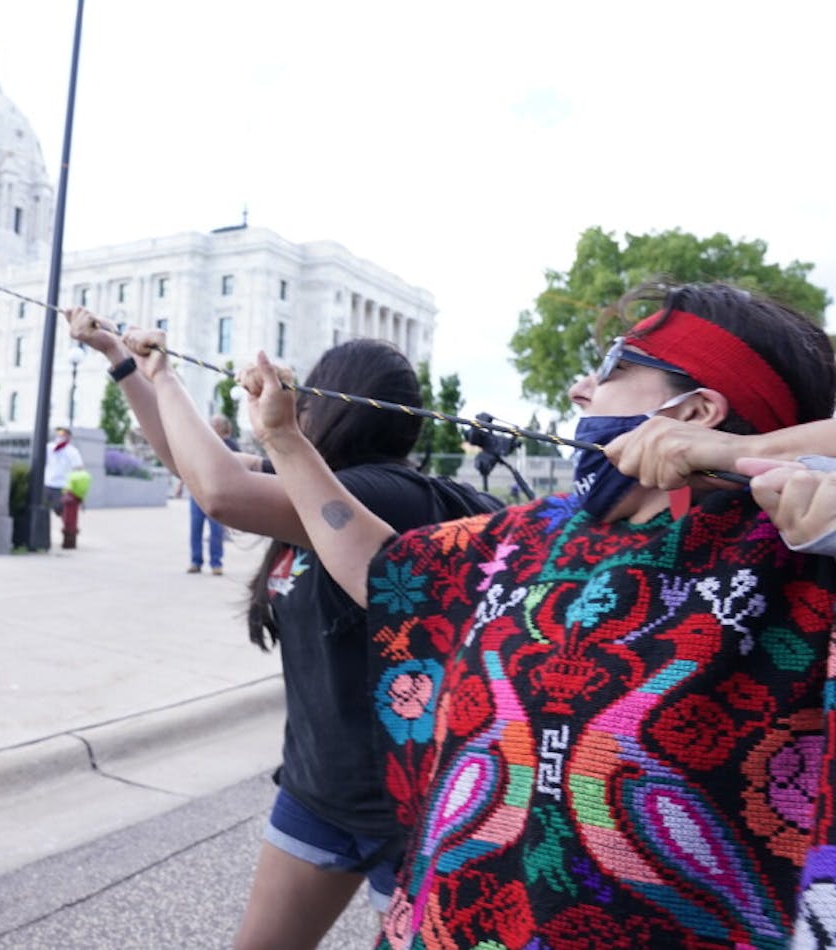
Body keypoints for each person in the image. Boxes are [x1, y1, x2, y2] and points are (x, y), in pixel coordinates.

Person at [240, 281, 836, 947]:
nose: (581, 389)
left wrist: (733, 459)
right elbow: (387, 574)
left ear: (695, 410)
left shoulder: (792, 559)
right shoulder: (533, 536)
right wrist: (284, 438)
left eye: (613, 368)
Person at [69, 306, 497, 948]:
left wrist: (165, 372)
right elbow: (197, 464)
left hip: (404, 812)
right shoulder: (316, 484)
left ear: (337, 404)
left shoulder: (387, 496)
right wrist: (124, 363)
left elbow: (219, 492)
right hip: (319, 790)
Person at [188, 415, 239, 574]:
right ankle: (195, 562)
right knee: (195, 529)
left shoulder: (231, 446)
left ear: (224, 427)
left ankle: (216, 563)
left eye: (215, 423)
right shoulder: (202, 444)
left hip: (219, 494)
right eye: (211, 423)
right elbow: (191, 465)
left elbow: (239, 471)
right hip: (197, 492)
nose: (211, 425)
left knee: (216, 530)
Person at [43, 426, 85, 547]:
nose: (60, 436)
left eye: (63, 433)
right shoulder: (49, 447)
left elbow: (79, 468)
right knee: (43, 510)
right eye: (58, 433)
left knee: (65, 514)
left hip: (63, 485)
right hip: (48, 483)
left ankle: (69, 539)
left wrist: (76, 486)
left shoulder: (72, 451)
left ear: (69, 436)